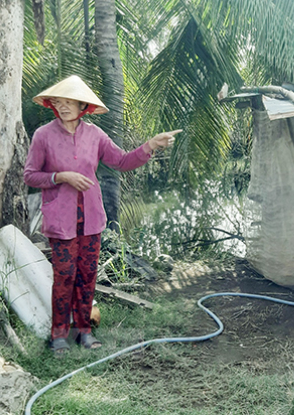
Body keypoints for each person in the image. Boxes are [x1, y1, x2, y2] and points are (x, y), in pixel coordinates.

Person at [24, 75, 180, 356]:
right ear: (52, 104)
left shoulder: (95, 135)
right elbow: (31, 176)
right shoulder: (43, 135)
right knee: (64, 276)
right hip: (60, 221)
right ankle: (59, 335)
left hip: (91, 219)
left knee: (87, 275)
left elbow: (121, 161)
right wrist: (61, 176)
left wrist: (151, 145)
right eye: (58, 101)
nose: (63, 106)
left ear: (83, 105)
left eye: (69, 101)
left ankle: (84, 330)